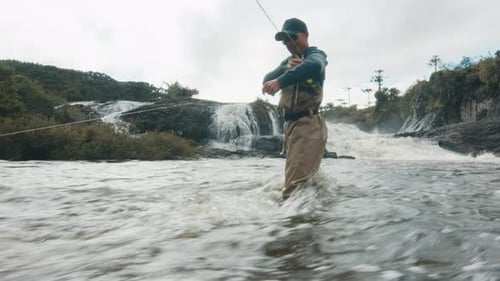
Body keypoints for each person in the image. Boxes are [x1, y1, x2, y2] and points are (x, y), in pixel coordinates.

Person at [262, 18, 328, 200]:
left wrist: (281, 81)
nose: (288, 43)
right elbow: (267, 78)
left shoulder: (316, 55)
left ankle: (294, 223)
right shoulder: (288, 62)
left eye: (292, 37)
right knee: (299, 184)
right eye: (285, 40)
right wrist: (285, 68)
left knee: (293, 189)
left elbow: (315, 65)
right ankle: (307, 221)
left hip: (308, 125)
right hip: (291, 127)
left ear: (306, 35)